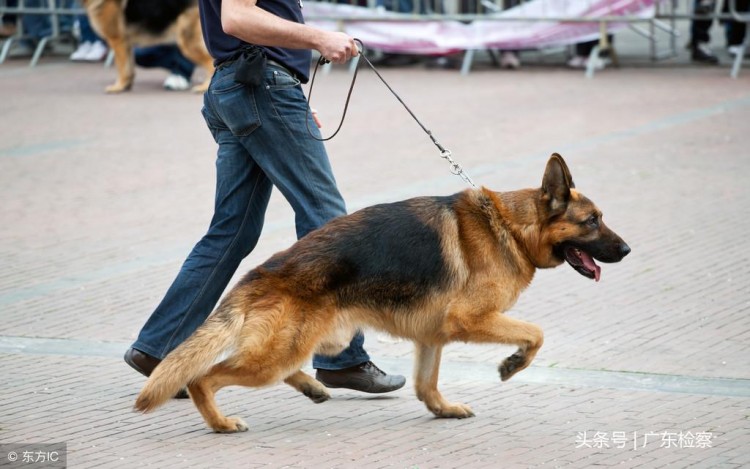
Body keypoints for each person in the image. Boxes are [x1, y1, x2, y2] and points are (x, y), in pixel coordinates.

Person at [123, 0, 406, 396]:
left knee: (232, 232)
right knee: (327, 220)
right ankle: (341, 359)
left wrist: (288, 88)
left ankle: (158, 347)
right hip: (258, 85)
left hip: (243, 86)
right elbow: (237, 18)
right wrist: (320, 38)